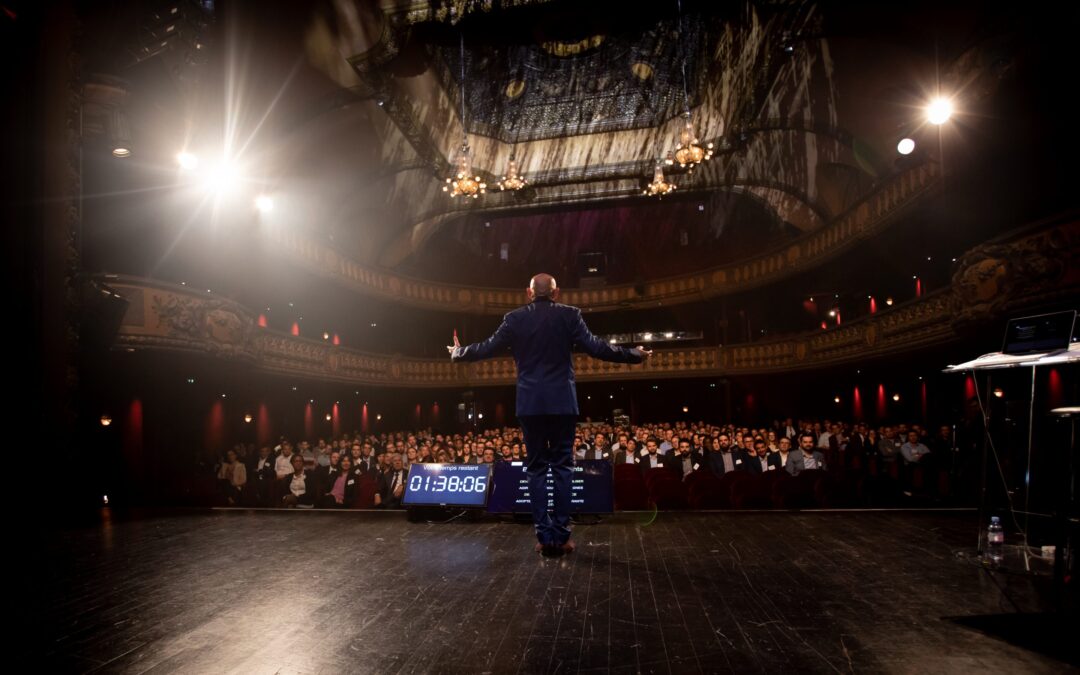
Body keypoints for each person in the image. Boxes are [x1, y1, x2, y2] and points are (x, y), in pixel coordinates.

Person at [449, 273, 651, 555]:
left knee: (536, 470)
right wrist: (632, 354)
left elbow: (487, 348)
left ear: (528, 293)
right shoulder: (570, 315)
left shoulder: (514, 318)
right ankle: (563, 536)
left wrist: (460, 352)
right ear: (556, 293)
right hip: (562, 404)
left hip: (530, 405)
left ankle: (544, 537)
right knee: (562, 469)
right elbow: (597, 348)